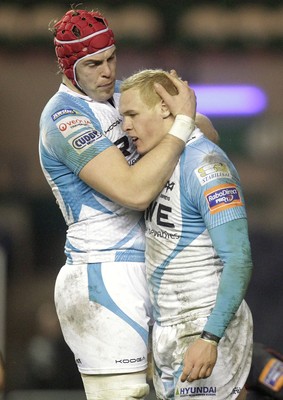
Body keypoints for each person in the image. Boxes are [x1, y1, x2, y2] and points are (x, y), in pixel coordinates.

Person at [38, 7, 214, 400]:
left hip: (151, 268)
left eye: (112, 58)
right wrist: (179, 124)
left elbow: (207, 134)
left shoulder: (120, 98)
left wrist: (185, 116)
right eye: (93, 64)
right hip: (102, 275)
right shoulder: (64, 119)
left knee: (187, 392)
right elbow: (134, 191)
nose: (107, 71)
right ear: (69, 67)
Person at [119, 69, 254, 400]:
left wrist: (210, 338)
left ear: (165, 108)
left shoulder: (204, 164)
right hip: (171, 329)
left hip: (204, 326)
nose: (126, 126)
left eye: (133, 114)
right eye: (123, 117)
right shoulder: (156, 162)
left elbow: (239, 258)